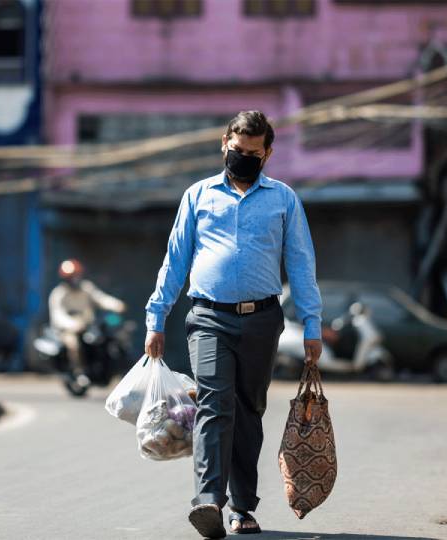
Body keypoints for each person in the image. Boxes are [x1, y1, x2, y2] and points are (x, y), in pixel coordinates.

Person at [144, 111, 322, 538]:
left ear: (268, 153)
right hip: (207, 317)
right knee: (214, 403)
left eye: (253, 153)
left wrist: (312, 323)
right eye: (237, 150)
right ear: (224, 143)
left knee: (248, 411)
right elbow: (176, 259)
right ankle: (208, 500)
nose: (243, 158)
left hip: (262, 320)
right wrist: (157, 316)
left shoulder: (283, 199)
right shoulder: (198, 196)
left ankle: (243, 507)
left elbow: (300, 263)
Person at [49, 259, 126, 386]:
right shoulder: (58, 294)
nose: (74, 279)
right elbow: (58, 315)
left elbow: (100, 298)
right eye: (71, 277)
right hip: (68, 329)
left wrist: (116, 305)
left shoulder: (86, 288)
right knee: (73, 344)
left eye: (76, 275)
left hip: (88, 326)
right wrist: (73, 324)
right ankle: (80, 372)